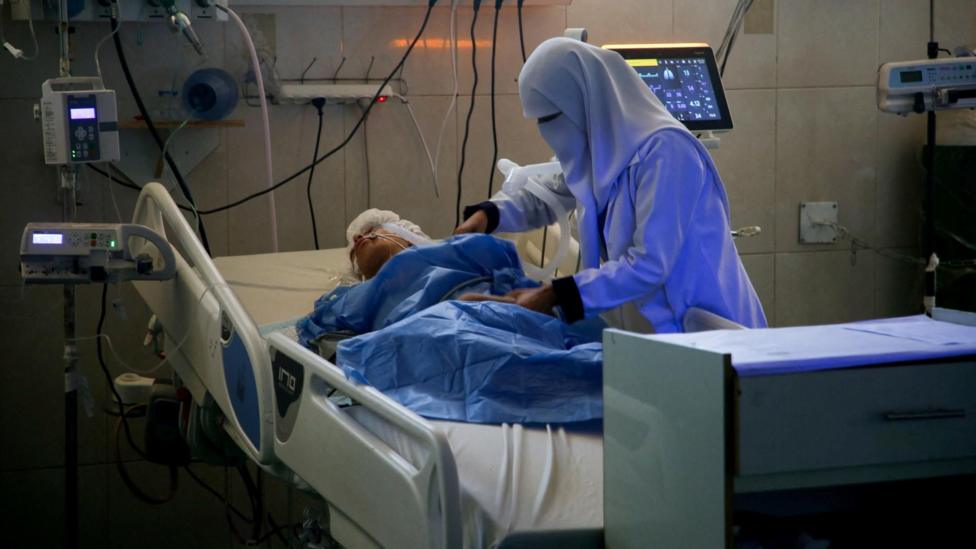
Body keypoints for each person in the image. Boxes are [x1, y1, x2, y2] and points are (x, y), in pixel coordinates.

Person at [455, 37, 767, 333]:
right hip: (657, 336)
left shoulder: (667, 151)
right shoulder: (600, 151)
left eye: (550, 118)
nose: (546, 130)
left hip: (713, 328)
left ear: (583, 101)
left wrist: (556, 295)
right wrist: (488, 215)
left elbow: (650, 264)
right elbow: (547, 195)